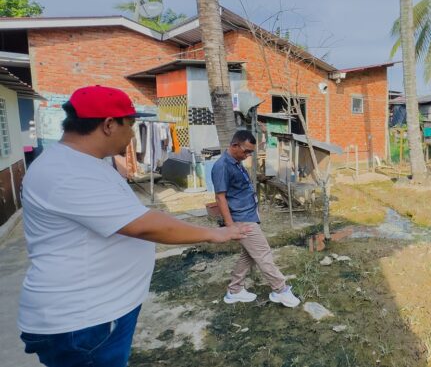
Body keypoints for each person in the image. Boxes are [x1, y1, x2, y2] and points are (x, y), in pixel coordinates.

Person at [18, 86, 253, 367]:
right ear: (108, 125)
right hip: (83, 323)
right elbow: (142, 225)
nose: (132, 134)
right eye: (131, 125)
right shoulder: (66, 172)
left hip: (99, 316)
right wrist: (215, 233)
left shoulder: (88, 163)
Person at [212, 130, 300, 307]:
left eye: (250, 152)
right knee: (263, 254)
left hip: (249, 214)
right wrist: (230, 226)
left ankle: (234, 290)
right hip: (241, 219)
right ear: (234, 145)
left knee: (249, 255)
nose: (248, 155)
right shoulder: (222, 166)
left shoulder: (236, 162)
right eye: (246, 151)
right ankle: (280, 290)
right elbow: (220, 198)